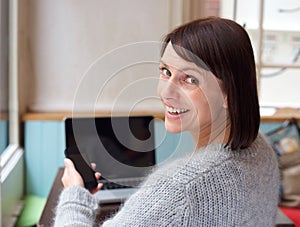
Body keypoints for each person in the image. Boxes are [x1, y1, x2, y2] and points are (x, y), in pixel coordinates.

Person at [54, 17, 279, 226]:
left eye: (190, 79)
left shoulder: (178, 189)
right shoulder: (261, 149)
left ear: (229, 92)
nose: (166, 92)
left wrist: (75, 195)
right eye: (165, 71)